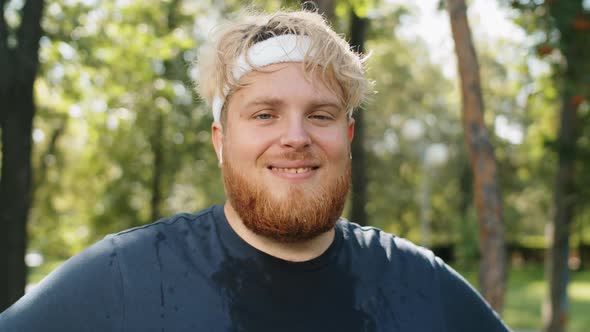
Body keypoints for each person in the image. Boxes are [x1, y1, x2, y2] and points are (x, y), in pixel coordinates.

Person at [0, 8, 511, 332]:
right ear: (221, 142)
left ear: (347, 139)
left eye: (320, 115)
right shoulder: (123, 278)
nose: (295, 136)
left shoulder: (422, 286)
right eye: (264, 114)